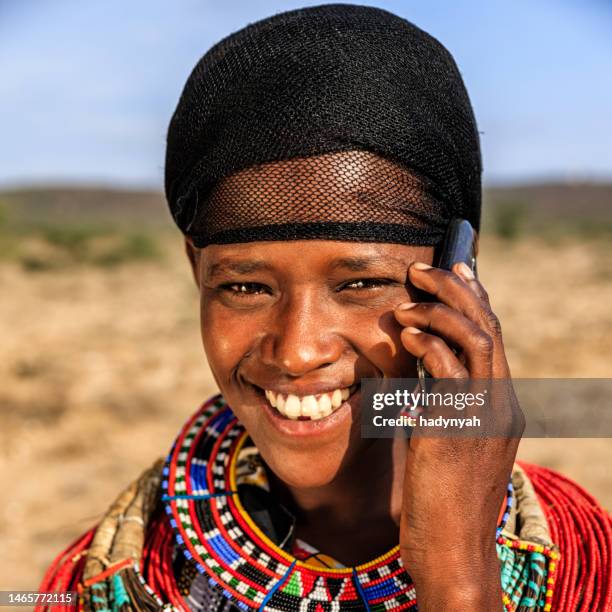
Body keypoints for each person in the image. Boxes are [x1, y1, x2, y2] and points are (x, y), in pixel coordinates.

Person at [38, 5, 611, 611]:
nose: (297, 349)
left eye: (360, 285)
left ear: (455, 272)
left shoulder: (585, 560)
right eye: (245, 287)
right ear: (195, 270)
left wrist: (458, 570)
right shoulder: (110, 575)